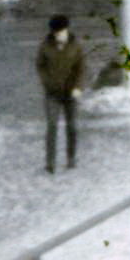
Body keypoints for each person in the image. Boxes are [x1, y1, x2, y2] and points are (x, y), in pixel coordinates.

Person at [36, 15, 86, 173]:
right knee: (51, 126)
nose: (59, 36)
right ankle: (50, 162)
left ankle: (71, 158)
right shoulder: (45, 46)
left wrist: (77, 87)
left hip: (71, 93)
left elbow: (81, 68)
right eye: (56, 33)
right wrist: (48, 84)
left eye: (62, 32)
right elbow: (40, 67)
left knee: (72, 127)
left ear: (67, 30)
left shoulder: (76, 46)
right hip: (52, 94)